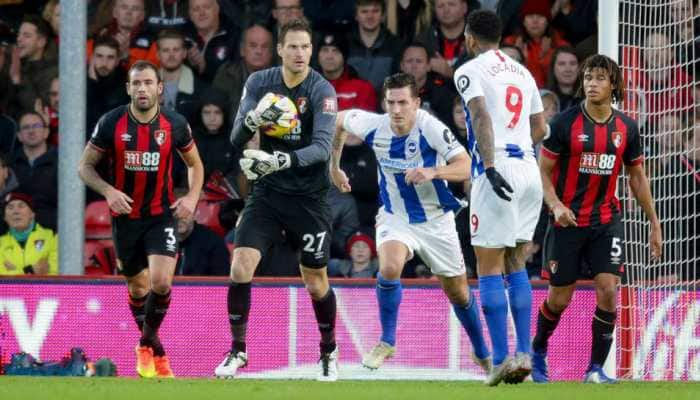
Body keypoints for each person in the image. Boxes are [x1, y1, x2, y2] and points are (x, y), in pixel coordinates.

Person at [331, 72, 491, 373]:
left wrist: (433, 172)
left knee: (457, 291)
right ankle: (387, 340)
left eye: (403, 102)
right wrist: (334, 167)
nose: (396, 110)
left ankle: (481, 351)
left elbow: (468, 166)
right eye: (390, 102)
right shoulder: (373, 126)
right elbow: (338, 120)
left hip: (436, 222)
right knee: (390, 266)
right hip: (396, 216)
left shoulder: (430, 127)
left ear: (416, 103)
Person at [214, 18, 340, 381]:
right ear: (280, 50)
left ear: (311, 51)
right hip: (268, 193)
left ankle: (328, 353)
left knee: (315, 280)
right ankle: (238, 351)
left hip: (309, 198)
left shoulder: (322, 90)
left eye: (305, 47)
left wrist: (282, 158)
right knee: (240, 266)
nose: (300, 53)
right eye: (293, 47)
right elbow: (236, 138)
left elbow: (321, 148)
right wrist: (252, 119)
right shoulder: (259, 83)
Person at [533, 54, 663, 384]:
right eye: (588, 77)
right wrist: (556, 205)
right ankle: (537, 351)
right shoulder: (563, 124)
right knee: (559, 298)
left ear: (613, 84)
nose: (592, 83)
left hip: (606, 221)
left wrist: (654, 222)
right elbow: (543, 171)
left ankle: (594, 369)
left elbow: (637, 177)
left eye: (599, 78)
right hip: (567, 223)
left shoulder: (626, 128)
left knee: (608, 289)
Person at [78, 60, 205, 379]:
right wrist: (108, 191)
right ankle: (156, 352)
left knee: (161, 282)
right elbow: (84, 167)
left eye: (148, 83)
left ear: (160, 88)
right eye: (137, 84)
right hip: (125, 219)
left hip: (160, 215)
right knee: (138, 289)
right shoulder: (111, 123)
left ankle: (144, 346)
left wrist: (191, 197)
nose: (143, 89)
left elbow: (196, 165)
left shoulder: (175, 124)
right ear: (128, 88)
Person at [454, 9, 548, 385]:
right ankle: (523, 353)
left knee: (488, 264)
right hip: (528, 169)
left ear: (471, 38)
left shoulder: (469, 69)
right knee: (516, 262)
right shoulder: (522, 71)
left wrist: (491, 166)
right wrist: (519, 148)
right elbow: (540, 126)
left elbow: (480, 115)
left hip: (497, 171)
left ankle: (498, 359)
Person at [11, 111, 58, 231]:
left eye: (36, 126)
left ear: (46, 133)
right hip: (14, 232)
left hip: (53, 232)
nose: (31, 131)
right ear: (19, 136)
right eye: (26, 127)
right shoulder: (10, 164)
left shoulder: (62, 162)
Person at [0, 192, 58, 276]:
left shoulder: (51, 237)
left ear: (32, 214)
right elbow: (2, 280)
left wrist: (15, 272)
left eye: (21, 206)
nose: (15, 211)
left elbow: (56, 274)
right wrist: (31, 271)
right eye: (10, 207)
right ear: (5, 217)